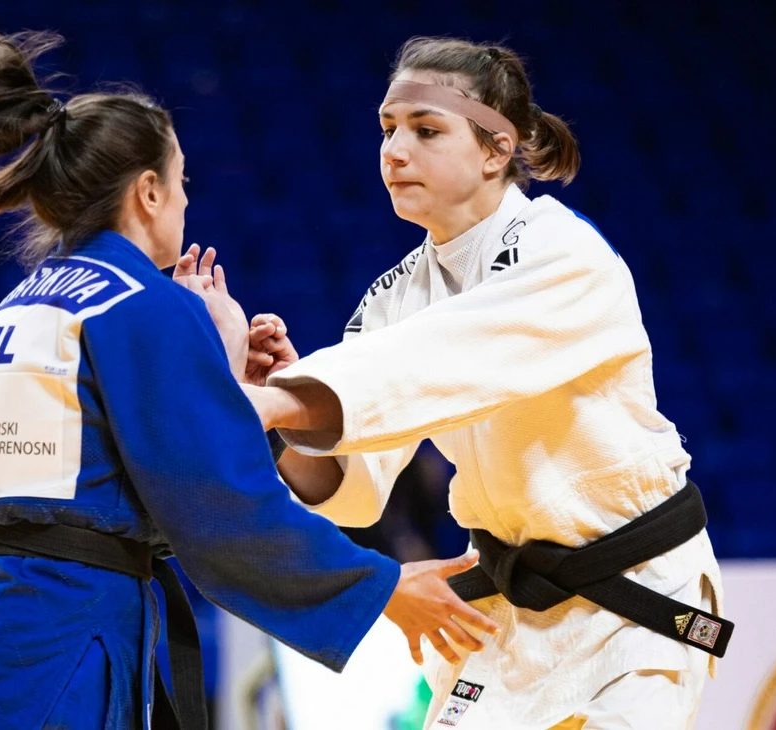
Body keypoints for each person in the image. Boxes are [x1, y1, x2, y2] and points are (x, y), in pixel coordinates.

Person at [0, 28, 499, 730]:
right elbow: (215, 503)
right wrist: (382, 586)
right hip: (60, 646)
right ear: (148, 192)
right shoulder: (141, 303)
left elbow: (98, 468)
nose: (186, 201)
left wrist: (213, 380)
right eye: (182, 182)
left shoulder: (24, 303)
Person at [184, 37, 729, 730]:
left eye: (425, 131)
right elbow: (351, 484)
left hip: (631, 600)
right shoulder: (396, 295)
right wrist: (291, 411)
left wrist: (265, 401)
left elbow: (442, 360)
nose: (394, 150)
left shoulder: (562, 253)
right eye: (386, 130)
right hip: (505, 611)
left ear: (496, 151)